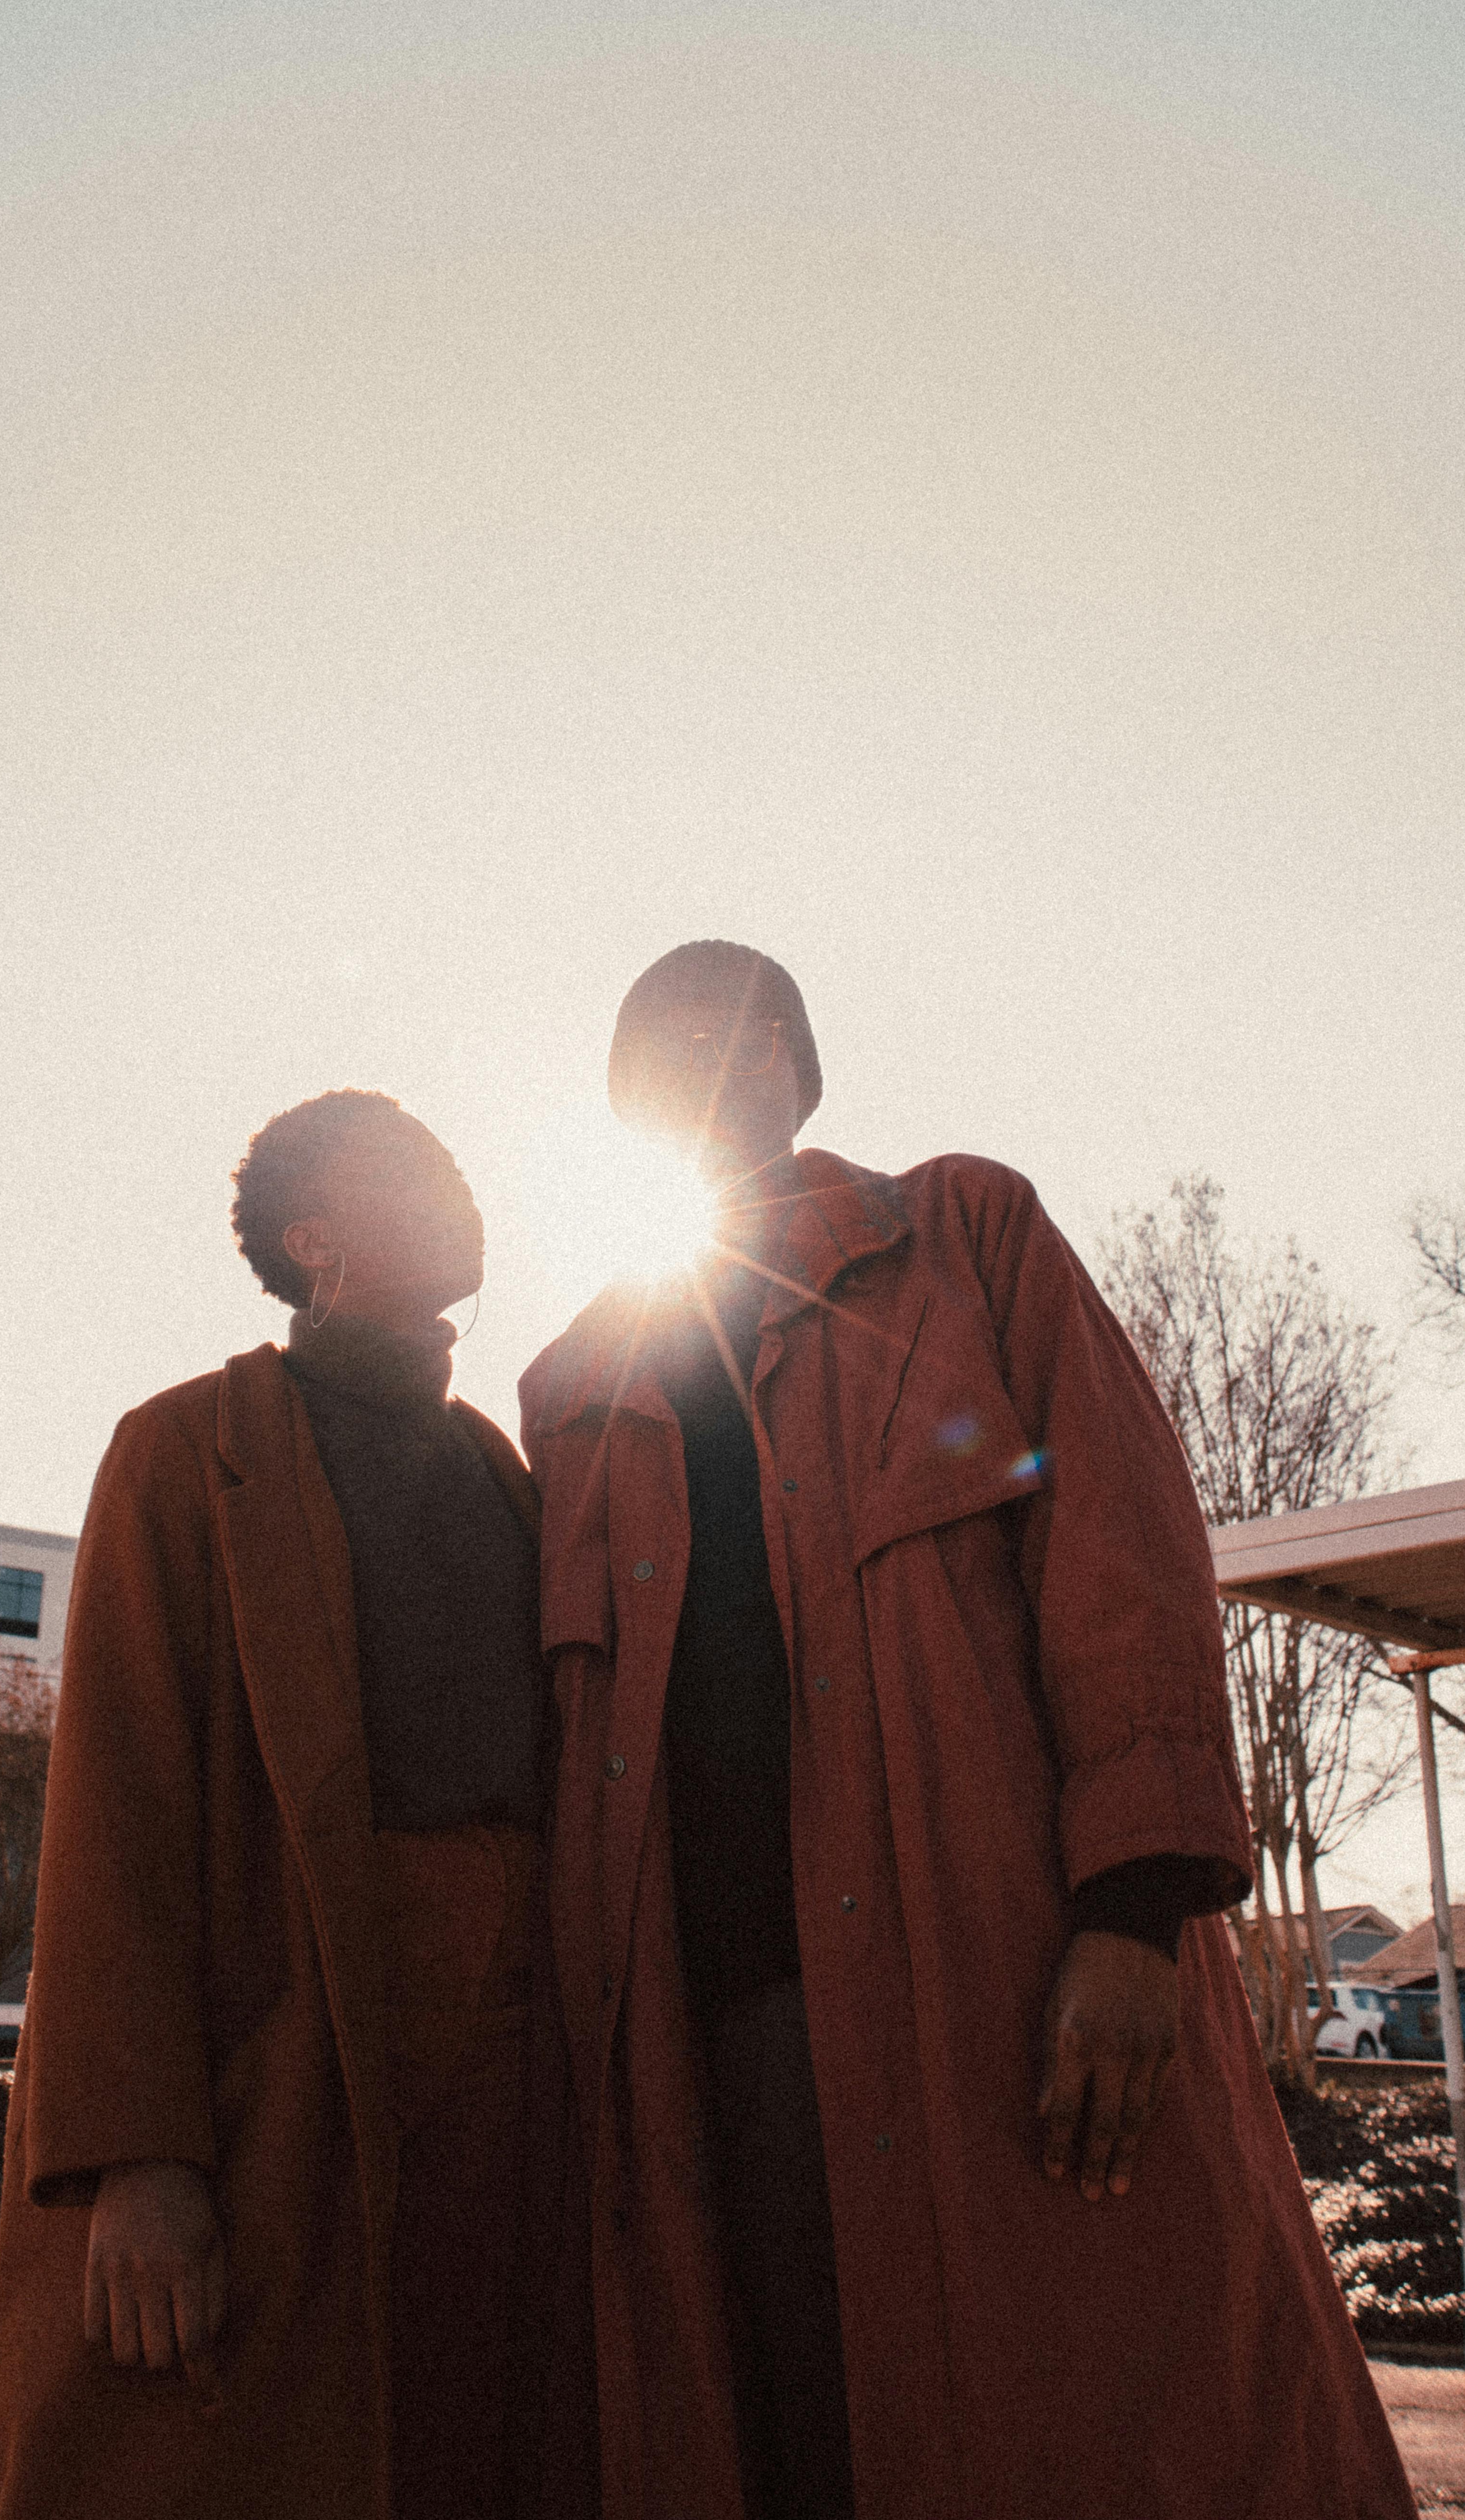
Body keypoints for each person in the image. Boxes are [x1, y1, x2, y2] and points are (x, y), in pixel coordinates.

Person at [518, 940, 1415, 2520]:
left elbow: (1123, 1562)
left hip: (1003, 1990)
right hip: (717, 2041)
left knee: (1111, 2425)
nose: (701, 1079)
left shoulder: (959, 1237)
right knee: (794, 2442)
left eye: (733, 1041)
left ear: (799, 1064)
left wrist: (1133, 1918)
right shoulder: (576, 1391)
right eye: (651, 1062)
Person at [0, 1090, 591, 2520]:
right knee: (265, 2446)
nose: (459, 1185)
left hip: (513, 2051)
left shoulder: (506, 1473)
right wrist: (136, 2156)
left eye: (457, 1158)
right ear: (313, 1242)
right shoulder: (185, 1451)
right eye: (411, 1173)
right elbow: (115, 1811)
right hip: (291, 2040)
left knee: (481, 2442)